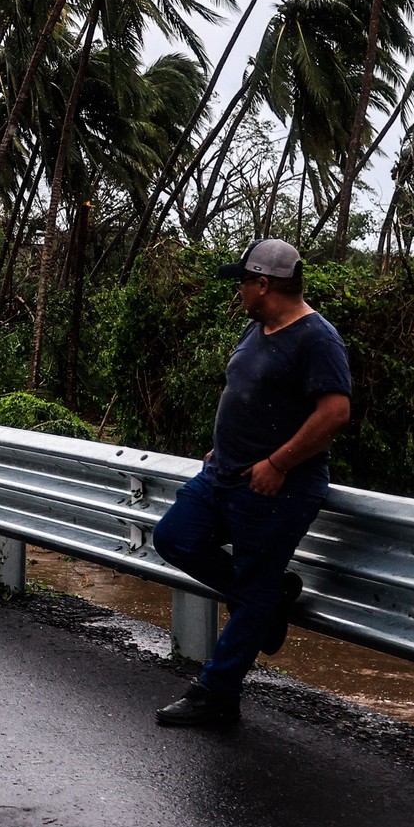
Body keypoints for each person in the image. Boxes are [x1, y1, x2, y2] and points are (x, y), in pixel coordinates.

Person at [151, 237, 351, 728]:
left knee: (255, 588)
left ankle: (216, 694)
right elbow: (248, 393)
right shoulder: (256, 327)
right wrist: (228, 446)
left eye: (243, 281)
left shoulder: (317, 339)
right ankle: (267, 597)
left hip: (275, 488)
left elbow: (335, 412)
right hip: (222, 474)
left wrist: (278, 462)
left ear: (264, 284)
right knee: (174, 538)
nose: (237, 289)